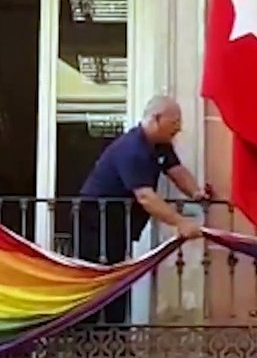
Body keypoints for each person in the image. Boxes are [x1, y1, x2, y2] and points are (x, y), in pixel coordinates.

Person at [76, 94, 208, 323]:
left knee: (119, 280)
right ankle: (92, 338)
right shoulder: (132, 148)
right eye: (174, 122)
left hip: (118, 223)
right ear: (156, 119)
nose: (178, 129)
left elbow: (177, 171)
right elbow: (146, 197)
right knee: (100, 283)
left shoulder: (160, 146)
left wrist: (197, 193)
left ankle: (116, 336)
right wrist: (181, 223)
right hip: (95, 221)